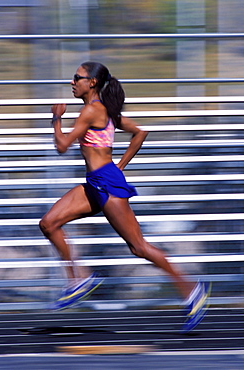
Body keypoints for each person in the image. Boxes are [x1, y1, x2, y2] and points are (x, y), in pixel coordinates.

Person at [39, 61, 210, 331]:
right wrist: (120, 165)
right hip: (96, 182)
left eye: (77, 78)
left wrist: (56, 118)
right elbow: (140, 133)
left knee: (138, 247)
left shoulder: (92, 110)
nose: (72, 82)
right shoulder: (106, 111)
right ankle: (78, 279)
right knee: (48, 223)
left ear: (91, 82)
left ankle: (192, 289)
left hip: (106, 185)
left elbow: (61, 146)